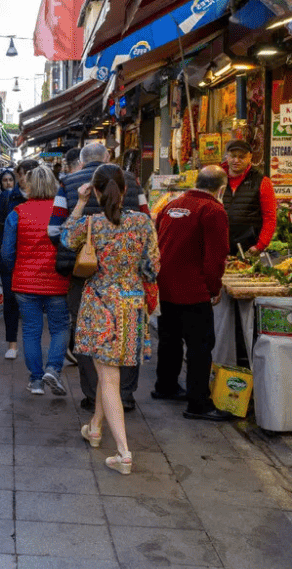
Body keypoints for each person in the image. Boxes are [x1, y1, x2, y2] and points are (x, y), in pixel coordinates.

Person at [62, 164, 159, 476]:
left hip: (101, 304)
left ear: (97, 191)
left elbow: (65, 239)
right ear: (126, 190)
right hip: (131, 304)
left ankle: (123, 451)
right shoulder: (143, 222)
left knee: (108, 377)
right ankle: (94, 428)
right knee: (110, 375)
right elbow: (152, 268)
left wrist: (78, 202)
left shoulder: (92, 224)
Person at [49, 142, 149, 412]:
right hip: (129, 279)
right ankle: (124, 395)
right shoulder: (132, 184)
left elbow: (56, 233)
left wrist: (81, 207)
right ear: (108, 158)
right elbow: (147, 223)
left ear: (82, 161)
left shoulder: (69, 183)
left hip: (86, 277)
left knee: (87, 335)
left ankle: (94, 395)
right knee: (128, 334)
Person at [154, 166, 234, 421]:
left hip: (164, 284)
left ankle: (165, 386)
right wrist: (214, 288)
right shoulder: (213, 210)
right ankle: (198, 403)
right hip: (193, 288)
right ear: (221, 189)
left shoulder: (172, 205)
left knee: (169, 339)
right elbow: (216, 257)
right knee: (200, 347)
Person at [2, 166, 70, 395]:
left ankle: (36, 379)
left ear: (28, 186)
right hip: (57, 281)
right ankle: (53, 368)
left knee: (31, 329)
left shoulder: (17, 212)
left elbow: (7, 252)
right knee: (60, 327)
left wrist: (17, 269)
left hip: (25, 282)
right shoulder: (63, 212)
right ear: (54, 185)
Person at [0, 160, 31, 359]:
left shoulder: (43, 199)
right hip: (9, 256)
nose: (24, 179)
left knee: (31, 302)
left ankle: (31, 344)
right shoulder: (6, 197)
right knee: (10, 299)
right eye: (21, 175)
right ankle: (12, 343)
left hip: (32, 257)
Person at [220, 139, 277, 256]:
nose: (236, 160)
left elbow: (270, 217)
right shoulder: (216, 179)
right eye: (233, 156)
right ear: (227, 156)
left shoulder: (262, 182)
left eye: (241, 157)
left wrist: (260, 245)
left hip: (248, 249)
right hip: (218, 247)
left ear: (249, 157)